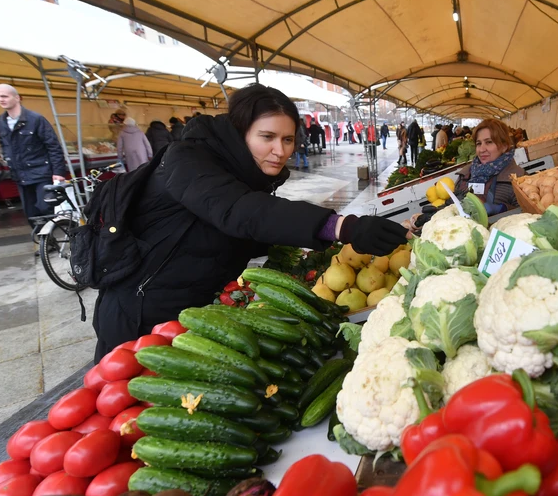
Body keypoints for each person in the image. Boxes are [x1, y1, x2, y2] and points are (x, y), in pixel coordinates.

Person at [92, 84, 407, 358]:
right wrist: (340, 227)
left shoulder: (247, 173)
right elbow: (240, 211)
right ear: (239, 131)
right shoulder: (186, 160)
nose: (279, 150)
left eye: (287, 139)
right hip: (139, 314)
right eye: (267, 137)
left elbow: (244, 228)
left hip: (196, 312)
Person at [0, 83, 68, 228]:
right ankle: (44, 242)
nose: (1, 99)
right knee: (30, 212)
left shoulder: (35, 119)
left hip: (41, 171)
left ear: (17, 97)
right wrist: (7, 159)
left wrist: (58, 172)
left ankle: (47, 235)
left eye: (4, 96)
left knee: (44, 207)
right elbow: (4, 144)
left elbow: (53, 145)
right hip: (20, 174)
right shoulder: (1, 121)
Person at [453, 118, 524, 215]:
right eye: (479, 143)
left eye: (489, 142)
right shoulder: (465, 174)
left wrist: (503, 209)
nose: (482, 149)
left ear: (504, 146)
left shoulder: (519, 178)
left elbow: (527, 213)